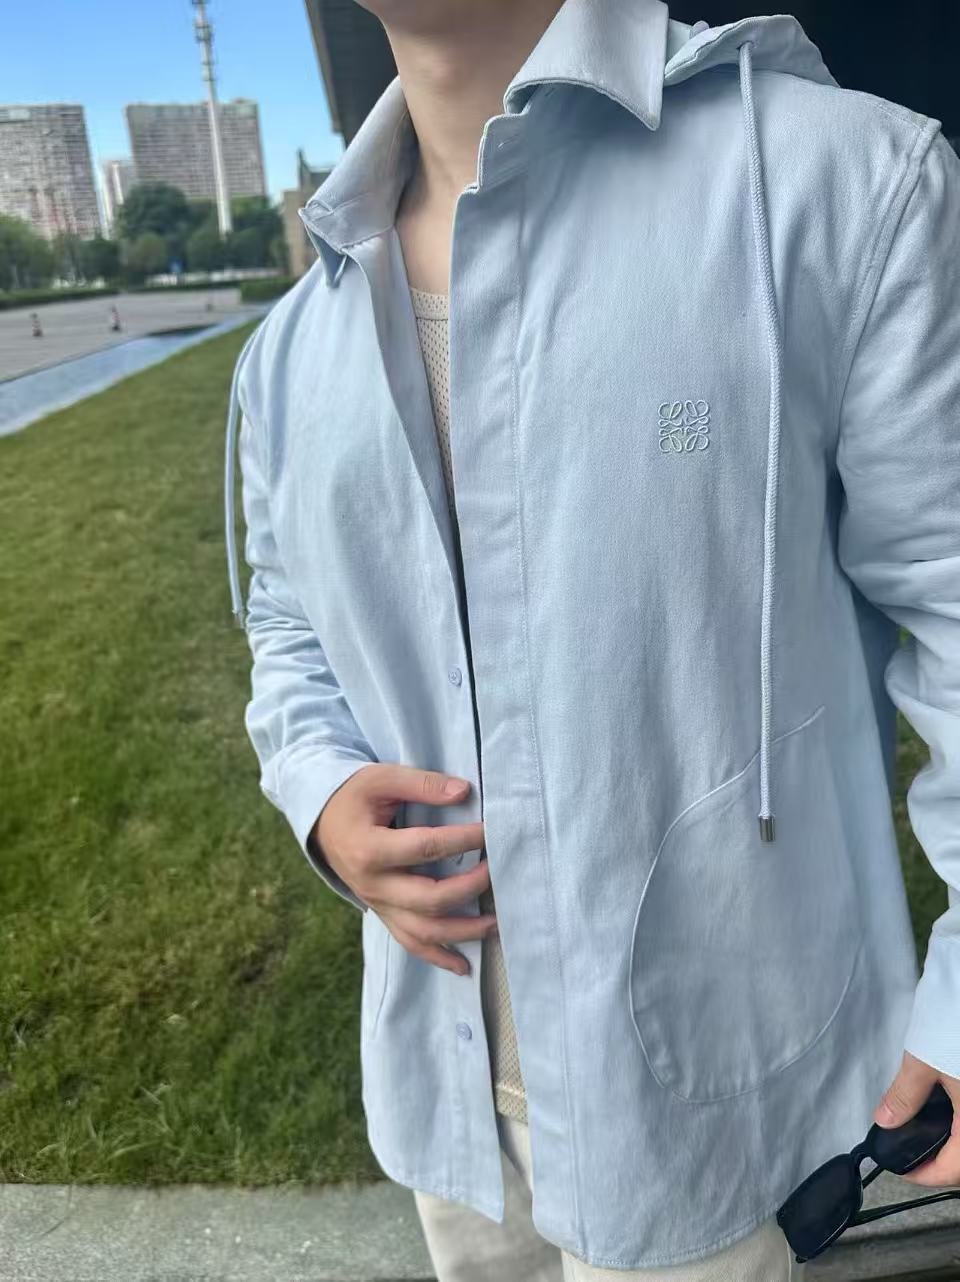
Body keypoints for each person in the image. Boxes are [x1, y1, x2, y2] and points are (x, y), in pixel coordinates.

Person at [223, 1, 960, 1277]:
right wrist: (319, 786)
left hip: (711, 1116)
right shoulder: (294, 345)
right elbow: (286, 619)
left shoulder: (839, 185)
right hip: (449, 1098)